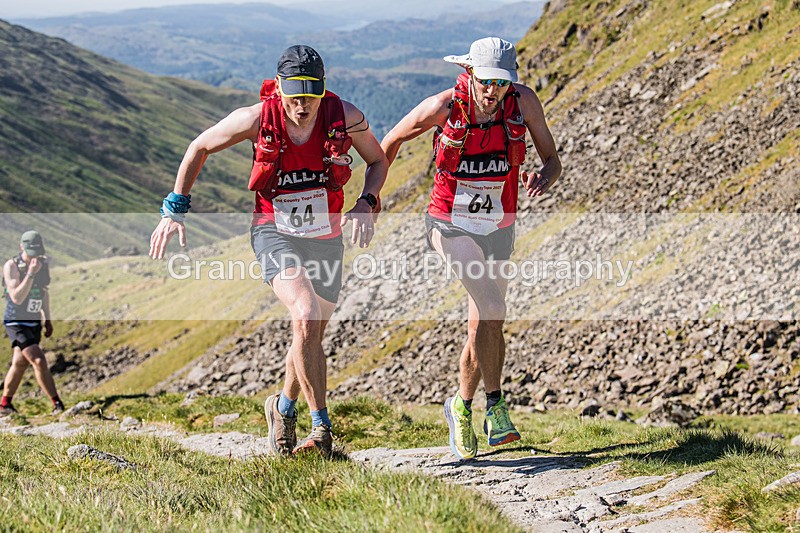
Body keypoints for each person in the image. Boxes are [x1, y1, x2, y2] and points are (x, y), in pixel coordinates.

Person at [149, 45, 388, 457]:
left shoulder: (344, 116)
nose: (302, 104)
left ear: (323, 88)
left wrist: (366, 202)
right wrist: (175, 210)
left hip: (326, 235)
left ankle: (281, 408)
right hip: (273, 231)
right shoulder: (256, 118)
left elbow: (378, 161)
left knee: (309, 331)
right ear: (277, 87)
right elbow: (199, 147)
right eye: (294, 93)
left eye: (311, 93)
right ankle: (322, 430)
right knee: (306, 315)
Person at [381, 37, 561, 459]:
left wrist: (543, 178)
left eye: (501, 83)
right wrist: (372, 199)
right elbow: (388, 144)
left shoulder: (525, 103)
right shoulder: (443, 106)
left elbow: (553, 160)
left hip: (498, 226)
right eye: (485, 81)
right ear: (469, 74)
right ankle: (496, 407)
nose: (492, 91)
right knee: (492, 306)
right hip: (449, 222)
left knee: (485, 323)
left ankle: (460, 407)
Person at [1, 231, 65, 416]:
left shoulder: (42, 264)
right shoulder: (12, 266)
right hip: (16, 322)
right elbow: (17, 297)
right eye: (30, 251)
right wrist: (30, 273)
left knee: (19, 364)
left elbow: (43, 292)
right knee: (38, 360)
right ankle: (57, 404)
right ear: (21, 246)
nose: (34, 256)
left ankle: (4, 405)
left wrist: (48, 319)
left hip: (34, 321)